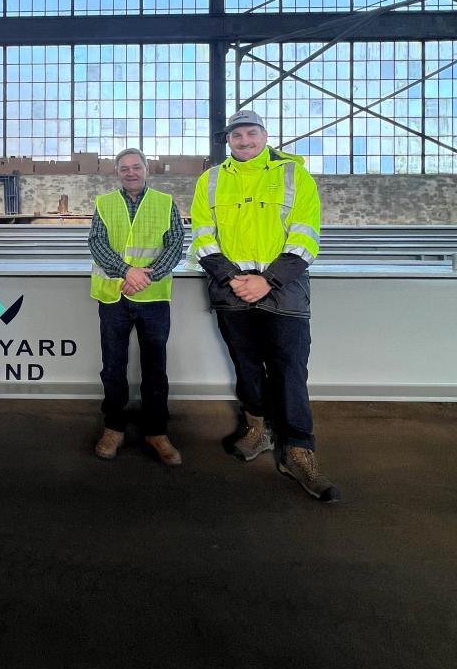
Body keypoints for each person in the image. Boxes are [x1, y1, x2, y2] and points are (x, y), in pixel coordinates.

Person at [190, 109, 340, 503]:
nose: (244, 142)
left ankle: (299, 452)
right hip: (232, 288)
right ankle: (257, 429)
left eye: (251, 134)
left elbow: (307, 236)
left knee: (290, 368)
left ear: (265, 135)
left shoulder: (294, 176)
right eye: (237, 136)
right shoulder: (211, 180)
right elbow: (202, 235)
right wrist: (233, 278)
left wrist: (267, 280)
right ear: (228, 141)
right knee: (246, 363)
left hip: (283, 290)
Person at [89, 147, 185, 466]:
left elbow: (175, 244)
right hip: (114, 297)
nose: (130, 172)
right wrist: (127, 271)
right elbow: (97, 243)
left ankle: (156, 432)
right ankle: (113, 428)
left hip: (153, 299)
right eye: (124, 168)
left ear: (147, 170)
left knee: (155, 370)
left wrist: (148, 275)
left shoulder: (165, 203)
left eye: (136, 167)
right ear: (117, 173)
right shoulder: (104, 204)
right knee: (113, 368)